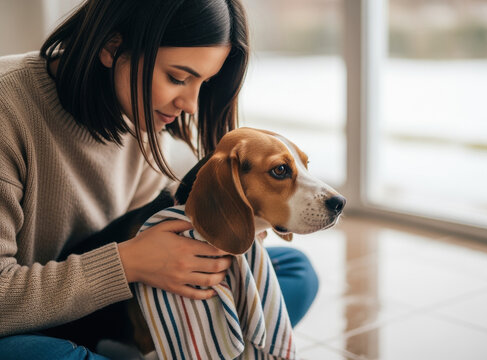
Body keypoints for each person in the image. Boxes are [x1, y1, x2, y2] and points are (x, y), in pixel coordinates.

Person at [0, 0, 319, 358]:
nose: (191, 105)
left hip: (109, 313)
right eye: (178, 78)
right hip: (22, 326)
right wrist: (128, 262)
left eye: (204, 82)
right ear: (111, 46)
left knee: (296, 271)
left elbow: (148, 232)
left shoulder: (144, 117)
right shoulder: (7, 108)